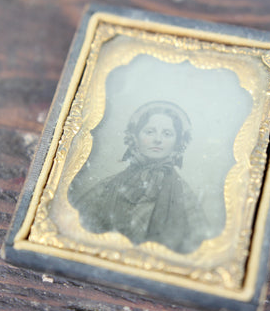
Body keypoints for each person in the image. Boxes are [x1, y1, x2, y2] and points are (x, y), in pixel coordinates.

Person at [69, 101, 212, 254]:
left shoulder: (184, 195)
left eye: (167, 134)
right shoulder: (108, 186)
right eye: (150, 132)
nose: (158, 139)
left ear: (178, 142)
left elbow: (201, 246)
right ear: (135, 137)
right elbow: (75, 229)